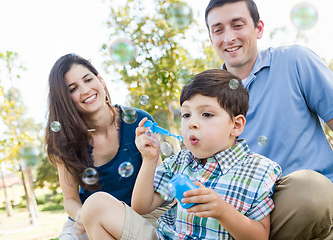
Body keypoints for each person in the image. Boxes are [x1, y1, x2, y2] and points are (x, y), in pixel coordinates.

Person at [79, 69, 282, 239]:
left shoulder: (259, 170)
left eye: (207, 114)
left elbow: (260, 236)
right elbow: (141, 207)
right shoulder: (179, 162)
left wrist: (223, 211)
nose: (192, 123)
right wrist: (149, 159)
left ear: (236, 125)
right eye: (186, 114)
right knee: (95, 205)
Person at [205, 0, 333, 239]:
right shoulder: (207, 98)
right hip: (249, 217)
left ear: (259, 28)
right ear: (211, 38)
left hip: (315, 205)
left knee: (309, 191)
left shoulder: (295, 61)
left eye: (238, 25)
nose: (229, 37)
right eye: (218, 29)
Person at [45, 53, 166, 240]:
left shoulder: (139, 123)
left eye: (88, 80)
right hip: (88, 215)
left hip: (141, 213)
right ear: (64, 100)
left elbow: (159, 181)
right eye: (73, 88)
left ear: (100, 80)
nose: (85, 90)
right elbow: (70, 200)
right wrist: (82, 216)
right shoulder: (65, 140)